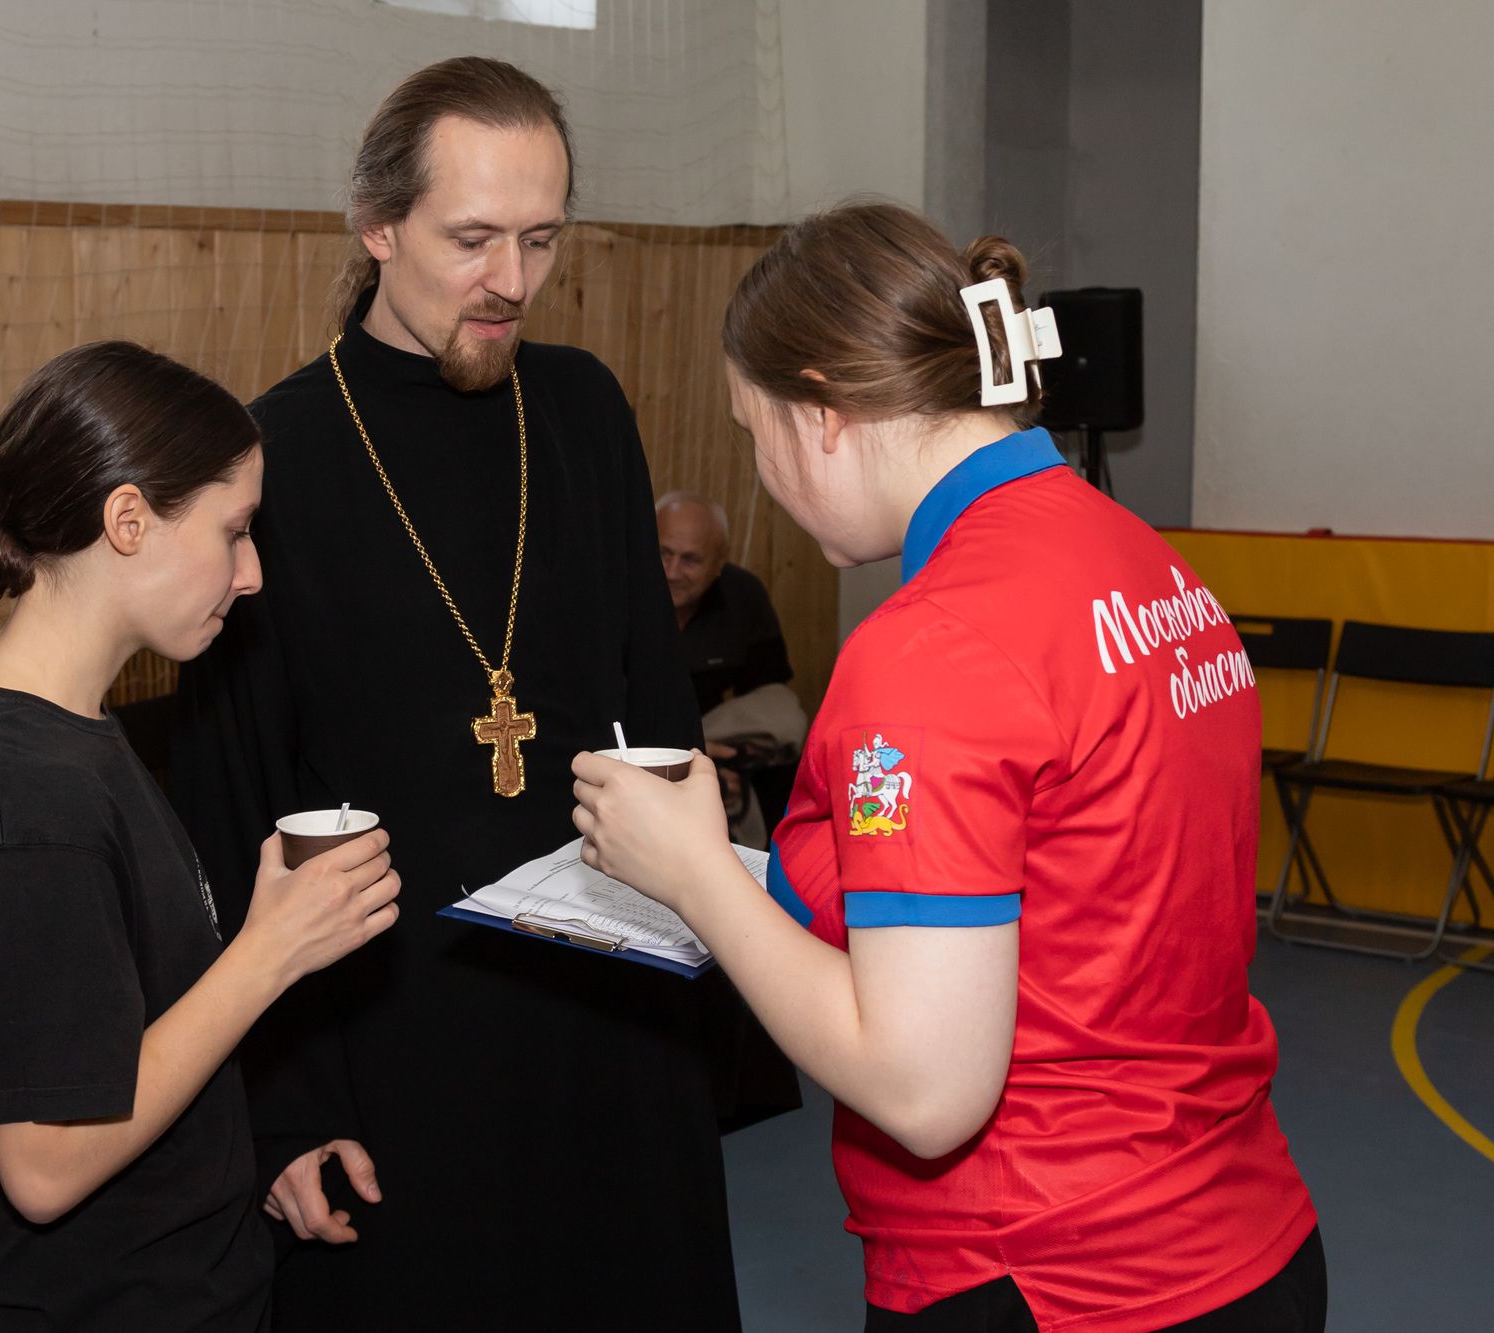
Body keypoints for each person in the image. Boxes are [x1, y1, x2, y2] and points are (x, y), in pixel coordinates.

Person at [573, 201, 1325, 1332]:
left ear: (821, 414)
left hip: (1051, 1272)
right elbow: (1069, 891)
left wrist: (698, 878)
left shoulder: (932, 647)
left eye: (754, 432)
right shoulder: (1141, 561)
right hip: (1237, 1237)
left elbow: (924, 1090)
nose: (763, 472)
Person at [175, 57, 747, 1331]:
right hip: (391, 1037)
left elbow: (658, 718)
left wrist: (702, 966)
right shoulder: (277, 456)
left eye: (540, 240)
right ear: (376, 227)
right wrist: (284, 1105)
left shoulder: (583, 409)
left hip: (609, 1006)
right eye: (472, 238)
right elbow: (235, 803)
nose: (511, 282)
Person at [0, 340, 399, 1330]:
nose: (251, 573)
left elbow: (109, 1033)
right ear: (127, 520)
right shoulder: (32, 804)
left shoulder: (52, 725)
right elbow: (46, 1164)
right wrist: (270, 951)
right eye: (234, 531)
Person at [656, 490, 806, 846]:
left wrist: (720, 755)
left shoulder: (743, 595)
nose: (672, 572)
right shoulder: (618, 594)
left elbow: (769, 693)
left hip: (717, 730)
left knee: (786, 729)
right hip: (635, 734)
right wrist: (688, 749)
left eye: (690, 560)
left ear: (718, 564)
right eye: (663, 553)